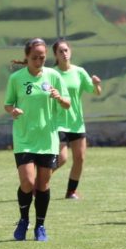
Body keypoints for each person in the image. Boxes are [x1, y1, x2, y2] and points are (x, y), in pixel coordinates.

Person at [4, 38, 70, 242]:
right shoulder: (16, 78)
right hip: (24, 137)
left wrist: (59, 98)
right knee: (28, 181)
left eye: (42, 57)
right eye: (34, 57)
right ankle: (24, 220)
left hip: (47, 139)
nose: (39, 60)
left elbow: (67, 104)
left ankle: (40, 226)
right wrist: (13, 110)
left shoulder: (54, 76)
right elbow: (7, 104)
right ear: (27, 57)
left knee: (42, 184)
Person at [51, 39, 102, 199]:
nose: (64, 54)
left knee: (79, 159)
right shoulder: (51, 74)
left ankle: (71, 191)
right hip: (58, 122)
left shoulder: (79, 72)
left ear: (70, 52)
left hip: (76, 122)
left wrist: (96, 84)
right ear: (55, 55)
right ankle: (40, 182)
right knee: (62, 158)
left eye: (66, 50)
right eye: (60, 51)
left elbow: (96, 92)